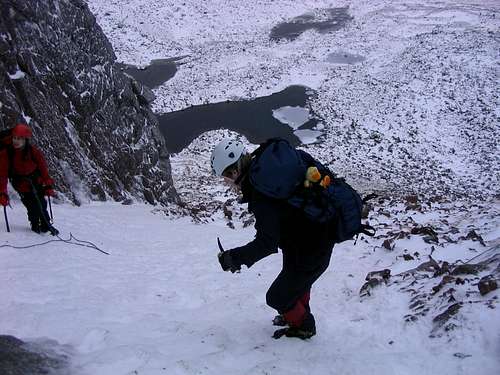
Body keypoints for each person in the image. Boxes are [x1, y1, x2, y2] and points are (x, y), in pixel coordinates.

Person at [211, 138, 335, 339]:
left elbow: (266, 244)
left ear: (234, 171)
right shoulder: (264, 168)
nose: (227, 181)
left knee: (276, 298)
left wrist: (233, 257)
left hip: (311, 248)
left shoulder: (262, 190)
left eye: (226, 175)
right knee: (295, 283)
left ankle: (304, 326)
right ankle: (294, 314)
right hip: (308, 241)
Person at [0, 124, 58, 235]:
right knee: (31, 205)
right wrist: (2, 193)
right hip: (21, 184)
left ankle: (46, 225)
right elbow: (2, 176)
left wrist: (48, 185)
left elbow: (43, 168)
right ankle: (35, 225)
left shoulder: (33, 152)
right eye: (14, 138)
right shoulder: (6, 154)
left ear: (25, 140)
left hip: (36, 180)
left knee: (41, 203)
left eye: (19, 139)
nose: (16, 141)